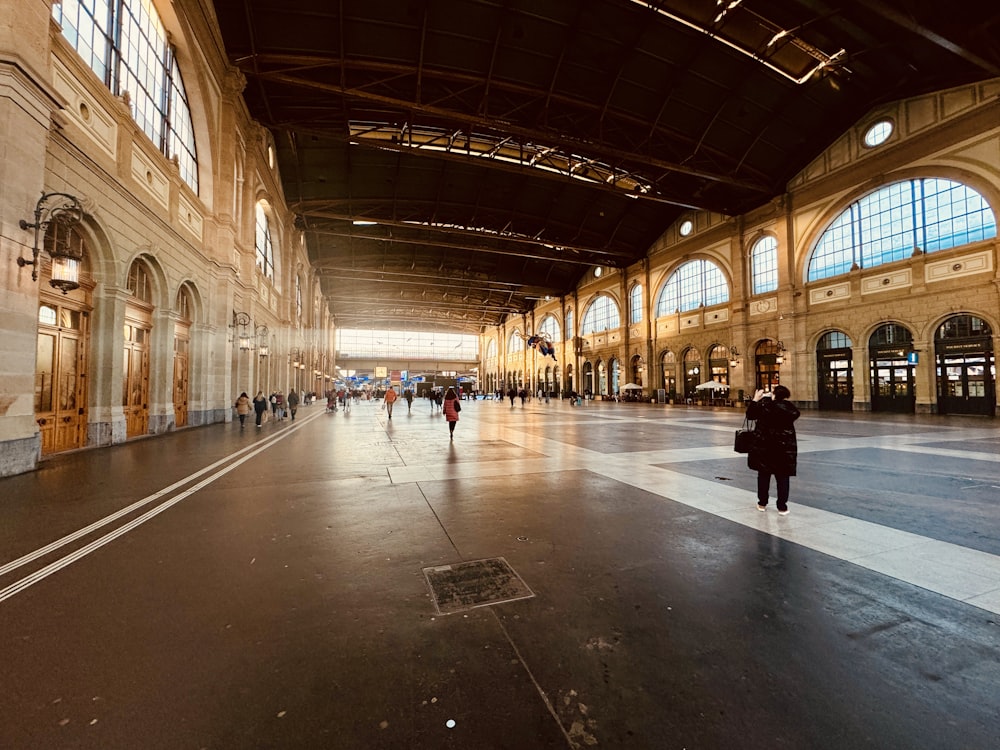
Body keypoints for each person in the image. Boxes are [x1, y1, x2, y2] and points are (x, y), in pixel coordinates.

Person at [746, 385, 800, 515]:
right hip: (783, 448)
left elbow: (750, 415)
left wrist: (755, 400)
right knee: (783, 478)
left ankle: (762, 503)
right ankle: (782, 506)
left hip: (765, 447)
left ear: (774, 394)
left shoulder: (765, 406)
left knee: (764, 476)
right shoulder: (790, 409)